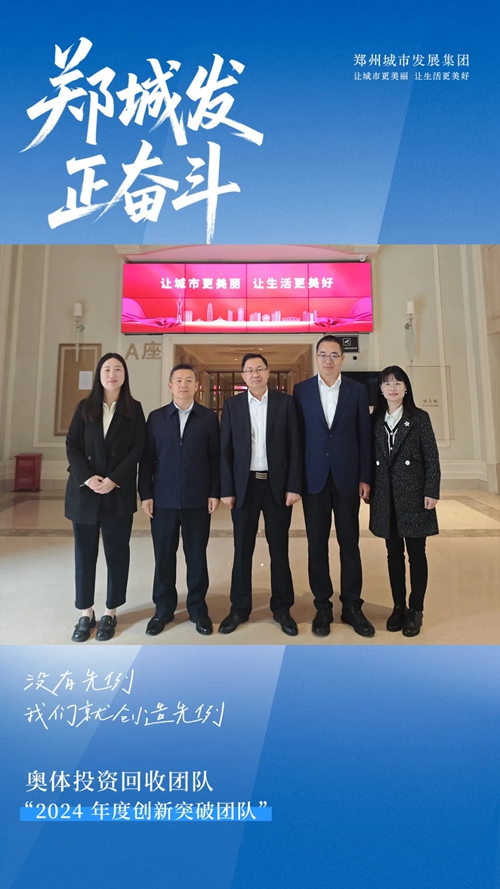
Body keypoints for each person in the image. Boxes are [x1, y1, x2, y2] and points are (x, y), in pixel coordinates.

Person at [293, 335, 373, 637]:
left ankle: (352, 606)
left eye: (334, 355)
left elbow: (364, 436)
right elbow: (296, 439)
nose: (328, 360)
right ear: (316, 358)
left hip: (347, 478)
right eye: (323, 354)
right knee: (317, 545)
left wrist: (365, 477)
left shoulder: (357, 390)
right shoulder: (301, 391)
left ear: (343, 358)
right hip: (313, 479)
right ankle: (323, 606)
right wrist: (295, 481)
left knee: (349, 543)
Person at [219, 353, 302, 636]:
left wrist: (293, 486)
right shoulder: (232, 405)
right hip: (245, 486)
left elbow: (295, 446)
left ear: (268, 373)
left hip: (277, 485)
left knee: (279, 549)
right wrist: (227, 489)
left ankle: (282, 609)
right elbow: (225, 450)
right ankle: (239, 608)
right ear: (243, 376)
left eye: (259, 369)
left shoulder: (285, 403)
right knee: (242, 549)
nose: (255, 374)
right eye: (249, 370)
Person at [65, 353, 146, 642]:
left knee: (117, 554)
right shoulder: (84, 407)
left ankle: (111, 611)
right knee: (84, 556)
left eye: (118, 369)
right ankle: (85, 612)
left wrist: (114, 479)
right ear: (99, 375)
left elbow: (138, 448)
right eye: (107, 369)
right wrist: (88, 478)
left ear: (125, 375)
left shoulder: (134, 409)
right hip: (84, 493)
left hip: (117, 493)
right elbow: (72, 445)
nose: (112, 374)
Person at [138, 364, 220, 636]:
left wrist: (214, 492)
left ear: (197, 385)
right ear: (170, 386)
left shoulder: (208, 418)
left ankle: (198, 610)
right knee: (163, 556)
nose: (183, 385)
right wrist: (146, 494)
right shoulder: (157, 418)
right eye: (178, 380)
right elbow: (146, 460)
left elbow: (215, 459)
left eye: (188, 380)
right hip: (163, 500)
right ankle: (163, 609)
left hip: (198, 500)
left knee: (196, 557)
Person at [369, 366, 440, 637]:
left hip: (414, 496)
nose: (393, 388)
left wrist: (431, 490)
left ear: (406, 387)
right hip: (385, 497)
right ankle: (398, 606)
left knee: (417, 554)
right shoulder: (375, 421)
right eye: (387, 384)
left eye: (398, 383)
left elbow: (431, 457)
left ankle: (416, 609)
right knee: (393, 553)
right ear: (380, 389)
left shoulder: (419, 418)